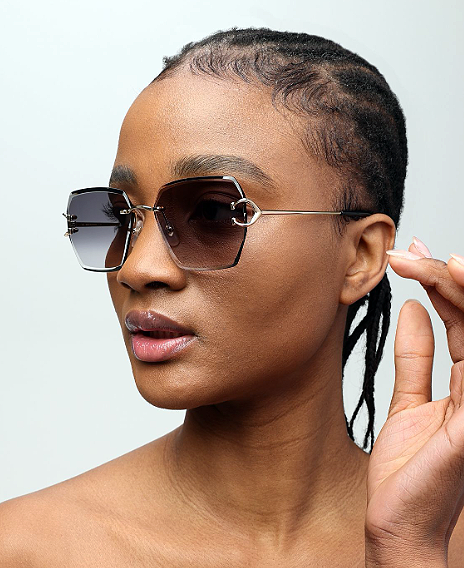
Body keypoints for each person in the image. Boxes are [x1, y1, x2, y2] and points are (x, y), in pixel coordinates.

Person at [1, 27, 464, 567]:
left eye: (213, 212)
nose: (136, 268)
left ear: (360, 255)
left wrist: (405, 547)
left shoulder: (435, 543)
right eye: (118, 216)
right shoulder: (25, 550)